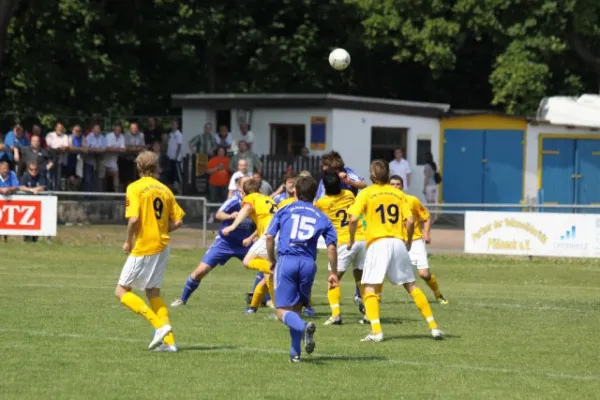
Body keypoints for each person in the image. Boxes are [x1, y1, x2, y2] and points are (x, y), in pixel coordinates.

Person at [347, 160, 443, 342]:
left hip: (378, 243)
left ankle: (376, 332)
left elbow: (352, 220)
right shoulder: (398, 194)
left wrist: (351, 240)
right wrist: (407, 241)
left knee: (368, 287)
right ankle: (434, 327)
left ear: (372, 175)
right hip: (397, 242)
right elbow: (410, 221)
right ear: (388, 175)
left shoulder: (367, 192)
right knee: (411, 286)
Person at [115, 151, 185, 352]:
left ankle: (159, 325)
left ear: (138, 167)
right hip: (163, 246)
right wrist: (161, 228)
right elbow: (179, 221)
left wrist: (128, 241)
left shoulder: (134, 187)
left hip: (145, 245)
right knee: (153, 291)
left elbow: (134, 219)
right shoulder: (165, 190)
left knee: (121, 291)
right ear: (156, 168)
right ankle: (169, 343)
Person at [265, 175, 339, 362]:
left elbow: (269, 237)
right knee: (296, 308)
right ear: (315, 194)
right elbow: (331, 246)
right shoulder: (321, 216)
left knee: (281, 310)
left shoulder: (284, 210)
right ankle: (295, 353)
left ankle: (304, 327)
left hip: (287, 260)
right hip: (307, 263)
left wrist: (272, 259)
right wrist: (333, 273)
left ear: (295, 191)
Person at [171, 176, 256, 307]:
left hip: (245, 244)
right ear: (240, 188)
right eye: (246, 183)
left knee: (267, 268)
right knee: (200, 271)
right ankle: (182, 299)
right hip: (225, 243)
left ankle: (264, 300)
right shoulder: (234, 201)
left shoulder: (256, 202)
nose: (250, 185)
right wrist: (229, 216)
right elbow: (218, 214)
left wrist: (254, 235)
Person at [315, 171, 368, 325]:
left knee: (334, 278)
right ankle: (369, 315)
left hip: (343, 242)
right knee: (360, 277)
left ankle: (336, 315)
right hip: (361, 239)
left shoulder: (322, 203)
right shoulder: (349, 195)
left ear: (325, 187)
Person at [222, 177, 278, 314]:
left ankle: (277, 271)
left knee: (248, 262)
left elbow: (246, 209)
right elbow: (264, 219)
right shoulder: (267, 199)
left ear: (244, 193)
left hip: (269, 234)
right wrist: (251, 237)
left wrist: (233, 226)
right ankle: (253, 307)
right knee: (265, 276)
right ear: (259, 189)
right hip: (277, 232)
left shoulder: (250, 198)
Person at [390, 175, 447, 304]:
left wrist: (426, 234)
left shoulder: (412, 200)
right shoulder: (385, 202)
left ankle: (438, 294)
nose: (395, 187)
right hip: (396, 242)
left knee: (424, 274)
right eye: (392, 184)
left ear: (402, 186)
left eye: (398, 184)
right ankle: (373, 301)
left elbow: (426, 217)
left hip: (415, 241)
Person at [19, 162, 47, 243]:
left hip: (39, 204)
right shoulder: (25, 176)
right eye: (31, 169)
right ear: (28, 169)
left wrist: (37, 189)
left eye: (35, 169)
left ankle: (35, 239)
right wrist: (31, 190)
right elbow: (21, 187)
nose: (33, 171)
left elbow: (43, 186)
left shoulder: (41, 176)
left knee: (37, 222)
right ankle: (26, 239)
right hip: (26, 204)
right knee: (26, 223)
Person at [206, 146, 230, 223]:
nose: (221, 152)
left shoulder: (228, 160)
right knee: (213, 200)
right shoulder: (213, 160)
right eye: (220, 151)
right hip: (213, 184)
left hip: (225, 184)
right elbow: (208, 171)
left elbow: (230, 169)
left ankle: (223, 217)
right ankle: (212, 216)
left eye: (223, 151)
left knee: (224, 201)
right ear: (217, 152)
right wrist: (217, 168)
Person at [423, 151, 441, 222]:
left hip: (429, 186)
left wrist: (424, 188)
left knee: (429, 203)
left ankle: (430, 218)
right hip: (434, 185)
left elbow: (427, 177)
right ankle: (434, 217)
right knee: (433, 202)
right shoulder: (433, 165)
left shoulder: (427, 166)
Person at [167, 120, 184, 192]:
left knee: (178, 175)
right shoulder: (170, 134)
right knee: (171, 175)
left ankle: (181, 190)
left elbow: (179, 146)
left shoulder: (179, 134)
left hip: (176, 159)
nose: (173, 126)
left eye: (175, 124)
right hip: (169, 158)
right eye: (172, 124)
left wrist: (176, 157)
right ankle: (172, 190)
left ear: (177, 125)